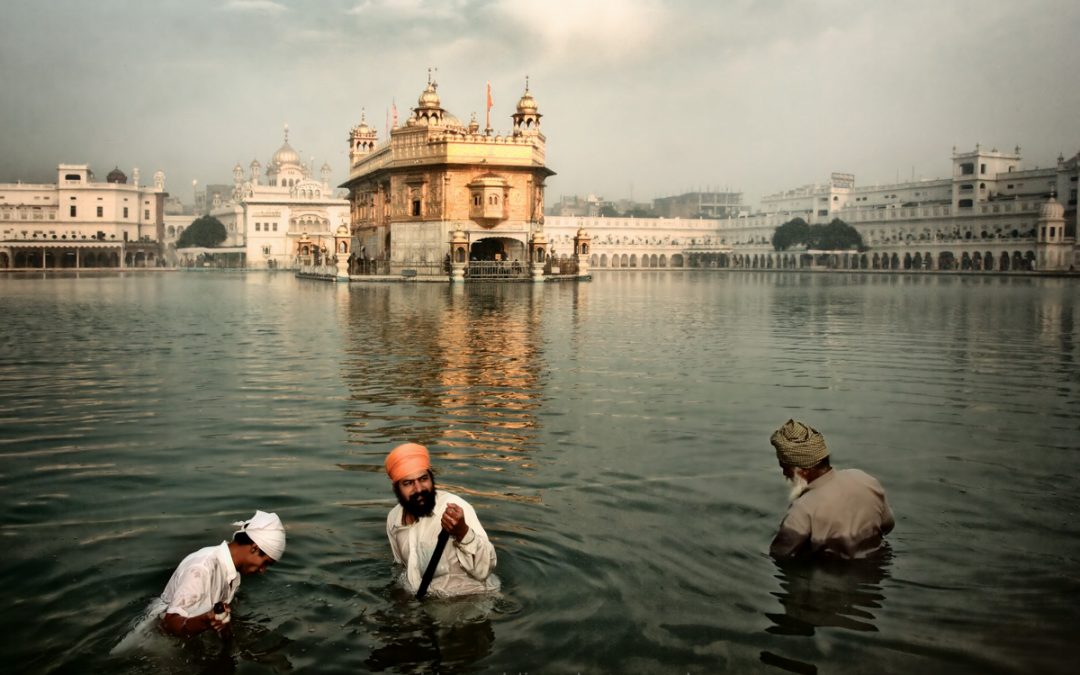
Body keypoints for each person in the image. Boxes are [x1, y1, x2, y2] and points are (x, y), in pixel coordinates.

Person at [384, 442, 499, 597]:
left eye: (423, 479)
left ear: (431, 478)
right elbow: (402, 568)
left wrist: (463, 533)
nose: (419, 489)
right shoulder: (394, 519)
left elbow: (484, 570)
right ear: (396, 488)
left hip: (471, 601)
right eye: (408, 483)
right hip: (424, 604)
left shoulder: (454, 510)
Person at [769, 420, 894, 560]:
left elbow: (779, 554)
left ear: (802, 471)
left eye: (785, 468)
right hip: (876, 571)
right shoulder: (866, 480)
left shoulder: (802, 509)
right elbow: (888, 525)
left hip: (830, 578)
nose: (785, 474)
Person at [157, 510, 286, 637]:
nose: (263, 570)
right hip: (158, 644)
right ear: (255, 548)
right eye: (265, 563)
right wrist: (205, 621)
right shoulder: (202, 569)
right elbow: (168, 624)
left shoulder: (232, 573)